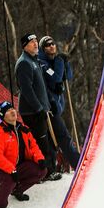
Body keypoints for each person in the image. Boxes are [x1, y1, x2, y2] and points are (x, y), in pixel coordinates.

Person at [14, 33, 62, 181]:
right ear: (25, 46)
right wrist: (38, 108)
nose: (36, 44)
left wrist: (50, 102)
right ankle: (44, 172)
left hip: (42, 108)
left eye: (36, 41)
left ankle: (47, 169)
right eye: (32, 42)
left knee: (46, 140)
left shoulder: (34, 60)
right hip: (32, 111)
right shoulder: (24, 63)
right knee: (40, 142)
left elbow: (41, 86)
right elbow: (27, 90)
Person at [0, 101, 47, 208]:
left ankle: (17, 190)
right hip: (0, 169)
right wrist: (11, 169)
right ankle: (0, 204)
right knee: (10, 178)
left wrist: (40, 158)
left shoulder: (24, 129)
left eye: (12, 109)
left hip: (17, 166)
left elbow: (33, 146)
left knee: (42, 170)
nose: (12, 111)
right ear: (3, 117)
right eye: (8, 111)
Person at [38, 36, 80, 169]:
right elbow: (56, 77)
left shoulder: (54, 61)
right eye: (47, 45)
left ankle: (53, 166)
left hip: (57, 106)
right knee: (63, 136)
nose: (51, 46)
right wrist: (60, 62)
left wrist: (64, 62)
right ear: (42, 49)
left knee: (52, 140)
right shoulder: (43, 64)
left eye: (53, 43)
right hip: (49, 107)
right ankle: (77, 162)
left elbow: (68, 76)